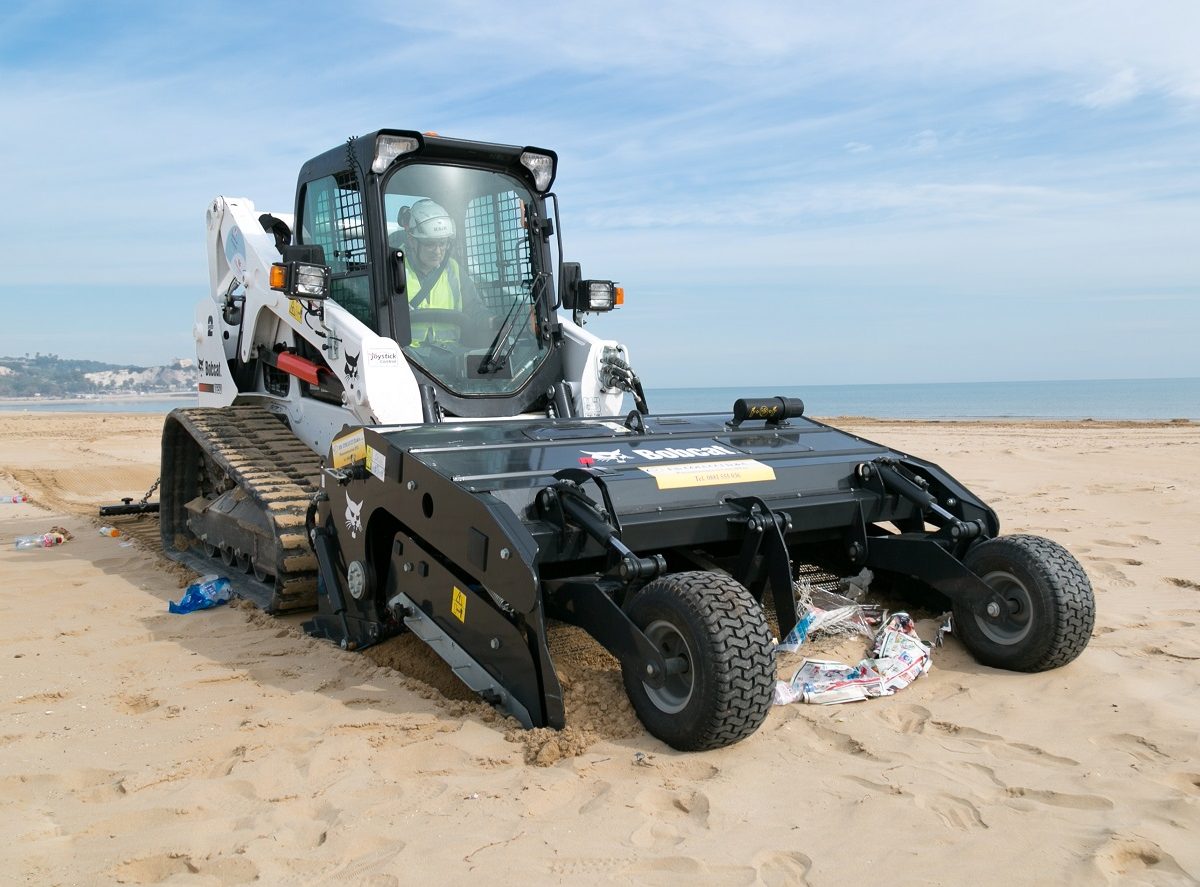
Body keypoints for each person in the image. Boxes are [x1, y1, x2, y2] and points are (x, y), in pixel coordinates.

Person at [400, 199, 469, 345]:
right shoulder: (394, 269)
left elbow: (474, 307)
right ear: (411, 240)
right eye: (430, 244)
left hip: (450, 354)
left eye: (442, 243)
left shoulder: (453, 269)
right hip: (407, 356)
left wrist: (493, 322)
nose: (437, 251)